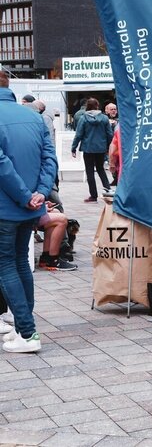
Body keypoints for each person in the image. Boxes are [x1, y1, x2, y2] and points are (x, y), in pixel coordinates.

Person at [0, 69, 58, 352]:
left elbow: (2, 165)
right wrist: (40, 193)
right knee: (20, 263)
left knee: (7, 264)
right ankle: (25, 326)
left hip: (8, 205)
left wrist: (26, 196)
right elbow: (50, 159)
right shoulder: (34, 117)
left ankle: (27, 331)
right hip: (29, 205)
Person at [71, 97, 113, 203]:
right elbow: (109, 134)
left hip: (88, 148)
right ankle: (108, 188)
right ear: (97, 106)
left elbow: (79, 134)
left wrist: (73, 147)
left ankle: (93, 196)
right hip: (101, 148)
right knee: (100, 169)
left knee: (90, 172)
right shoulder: (104, 118)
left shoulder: (83, 118)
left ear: (87, 106)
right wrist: (109, 146)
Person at [36, 202, 76, 271]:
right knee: (62, 219)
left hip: (25, 211)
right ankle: (53, 259)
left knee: (55, 212)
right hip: (23, 214)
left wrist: (43, 204)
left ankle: (46, 257)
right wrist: (42, 207)